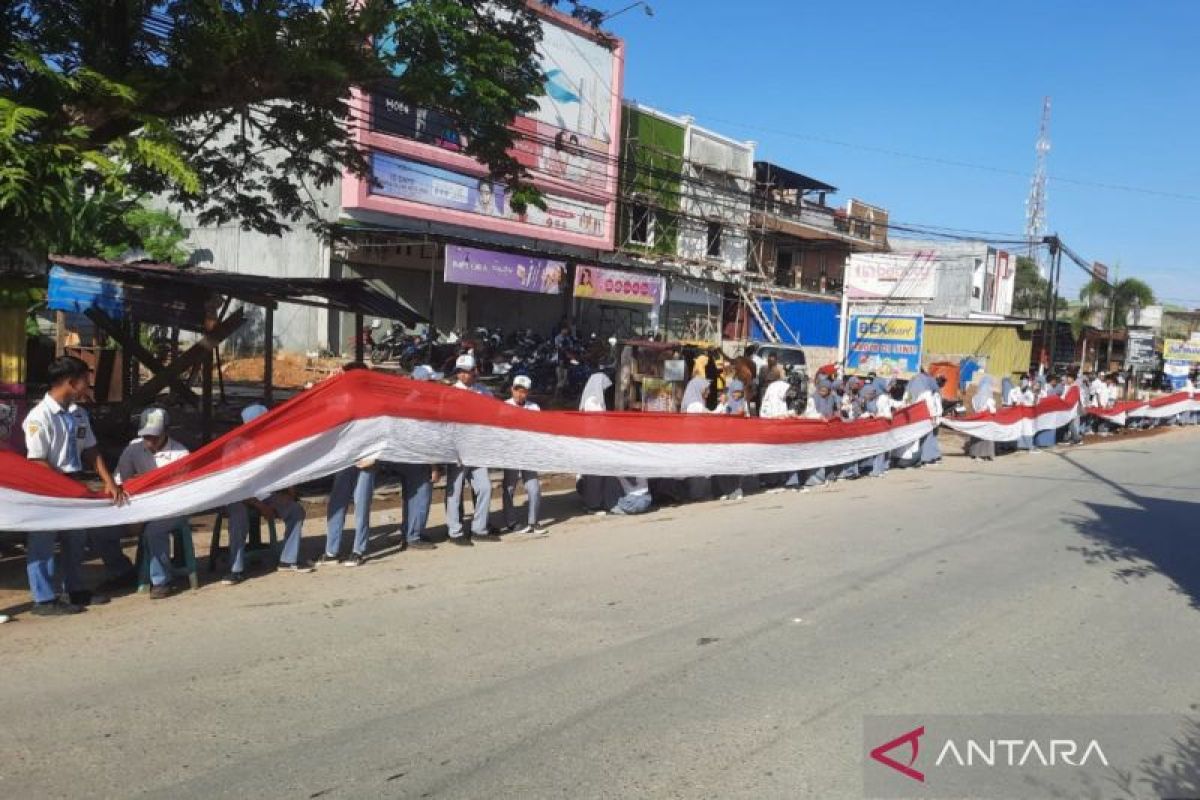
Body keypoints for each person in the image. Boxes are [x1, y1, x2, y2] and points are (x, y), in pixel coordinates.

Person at [21, 356, 125, 615]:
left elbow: (90, 449)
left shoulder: (79, 414)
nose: (88, 387)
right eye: (85, 382)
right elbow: (36, 461)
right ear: (71, 382)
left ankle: (75, 589)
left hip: (72, 483)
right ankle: (43, 599)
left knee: (76, 538)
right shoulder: (39, 417)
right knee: (43, 541)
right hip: (46, 487)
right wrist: (63, 486)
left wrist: (108, 481)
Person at [222, 404, 315, 584]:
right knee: (239, 517)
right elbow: (234, 485)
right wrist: (259, 505)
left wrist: (290, 493)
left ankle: (288, 560)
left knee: (296, 511)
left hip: (267, 493)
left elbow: (287, 470)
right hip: (239, 496)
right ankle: (236, 569)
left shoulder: (275, 441)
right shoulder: (234, 446)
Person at [114, 407, 190, 599]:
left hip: (171, 508)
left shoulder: (180, 454)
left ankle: (161, 581)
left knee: (154, 531)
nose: (150, 441)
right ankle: (123, 571)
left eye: (154, 436)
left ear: (166, 432)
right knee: (100, 531)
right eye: (146, 436)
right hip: (137, 505)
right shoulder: (133, 449)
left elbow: (182, 491)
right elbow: (120, 480)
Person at [320, 363, 377, 567]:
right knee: (337, 503)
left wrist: (374, 456)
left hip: (366, 459)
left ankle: (358, 550)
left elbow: (380, 429)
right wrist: (328, 384)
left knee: (361, 504)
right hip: (345, 458)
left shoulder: (372, 400)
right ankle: (332, 551)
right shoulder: (342, 398)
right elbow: (324, 410)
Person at [444, 354, 498, 544]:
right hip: (458, 450)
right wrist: (452, 450)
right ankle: (455, 531)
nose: (466, 375)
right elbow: (447, 424)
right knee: (455, 491)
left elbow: (494, 414)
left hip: (478, 449)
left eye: (469, 371)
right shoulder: (450, 394)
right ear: (457, 373)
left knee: (484, 488)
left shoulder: (484, 392)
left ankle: (479, 528)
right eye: (462, 372)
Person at [395, 367, 439, 551]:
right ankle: (414, 535)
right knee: (421, 496)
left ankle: (409, 531)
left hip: (406, 456)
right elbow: (425, 438)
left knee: (410, 497)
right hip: (419, 458)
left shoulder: (408, 399)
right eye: (431, 381)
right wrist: (434, 465)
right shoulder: (420, 403)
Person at [501, 376, 547, 537]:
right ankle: (511, 522)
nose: (520, 394)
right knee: (509, 487)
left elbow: (539, 429)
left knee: (534, 487)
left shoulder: (534, 407)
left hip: (528, 453)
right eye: (517, 390)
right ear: (512, 389)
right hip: (511, 453)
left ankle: (533, 521)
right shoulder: (504, 406)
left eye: (524, 391)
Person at [577, 371, 614, 512]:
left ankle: (592, 501)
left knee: (594, 474)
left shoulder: (594, 399)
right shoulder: (593, 401)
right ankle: (592, 504)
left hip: (593, 441)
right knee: (595, 475)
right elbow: (599, 423)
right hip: (594, 442)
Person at [967, 376, 997, 460]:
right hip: (986, 421)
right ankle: (987, 454)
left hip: (976, 420)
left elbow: (973, 409)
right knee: (986, 438)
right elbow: (993, 411)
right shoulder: (989, 399)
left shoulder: (974, 398)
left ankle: (976, 454)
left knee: (976, 437)